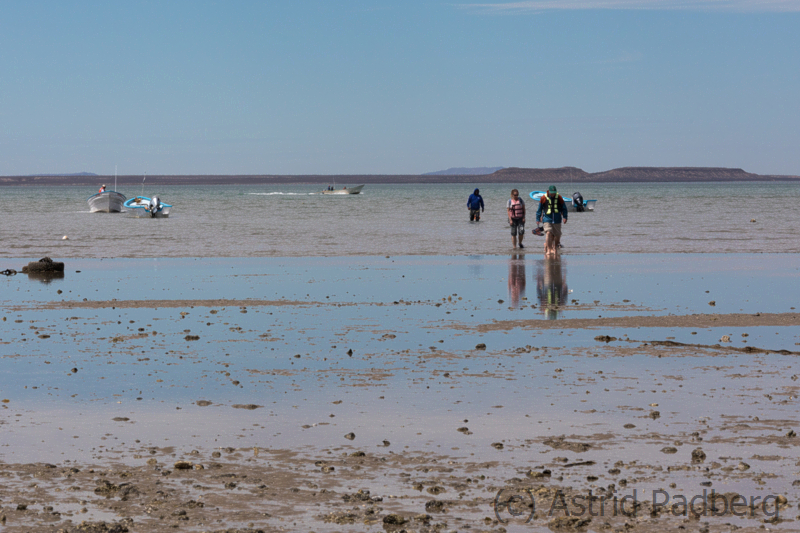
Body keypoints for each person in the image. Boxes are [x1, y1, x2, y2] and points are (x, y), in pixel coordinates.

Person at [536, 185, 568, 257]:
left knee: (557, 235)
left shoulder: (559, 197)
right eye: (552, 193)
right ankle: (549, 249)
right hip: (547, 219)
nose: (553, 194)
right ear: (549, 191)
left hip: (557, 219)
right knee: (548, 233)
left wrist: (565, 217)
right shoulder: (543, 198)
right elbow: (539, 210)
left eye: (554, 193)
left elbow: (564, 208)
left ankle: (554, 246)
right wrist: (538, 219)